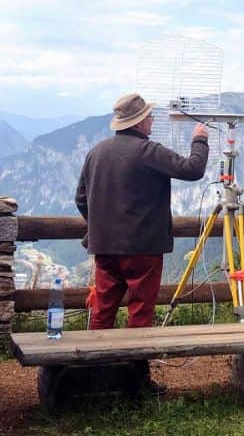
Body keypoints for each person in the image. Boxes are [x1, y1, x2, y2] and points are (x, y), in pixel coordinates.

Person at [75, 93, 209, 330]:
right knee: (140, 312)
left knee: (102, 310)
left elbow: (81, 199)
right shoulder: (149, 151)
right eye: (150, 116)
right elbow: (193, 169)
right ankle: (135, 366)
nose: (152, 121)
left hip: (105, 247)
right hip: (144, 249)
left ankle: (93, 363)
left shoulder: (96, 152)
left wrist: (100, 225)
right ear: (138, 122)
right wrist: (199, 140)